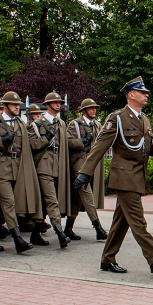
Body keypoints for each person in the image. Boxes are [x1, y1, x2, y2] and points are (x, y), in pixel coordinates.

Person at [73, 77, 153, 274]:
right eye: (142, 92)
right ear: (131, 95)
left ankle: (107, 259)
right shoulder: (117, 118)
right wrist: (85, 173)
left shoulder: (144, 119)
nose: (146, 95)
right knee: (138, 220)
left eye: (146, 93)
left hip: (137, 177)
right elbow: (100, 146)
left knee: (121, 221)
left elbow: (142, 147)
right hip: (124, 178)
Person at [0, 91, 43, 253]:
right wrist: (1, 141)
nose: (17, 107)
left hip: (17, 167)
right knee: (8, 202)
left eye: (18, 104)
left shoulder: (20, 123)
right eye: (14, 104)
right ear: (4, 106)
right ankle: (18, 239)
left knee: (2, 206)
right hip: (0, 167)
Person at [30, 91, 72, 248]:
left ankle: (35, 234)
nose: (58, 104)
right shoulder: (37, 124)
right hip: (44, 164)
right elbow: (33, 145)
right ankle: (60, 233)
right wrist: (45, 139)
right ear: (47, 105)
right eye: (54, 102)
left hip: (57, 164)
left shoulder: (61, 123)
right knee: (52, 200)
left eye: (59, 102)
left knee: (44, 201)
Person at [66, 99, 108, 241]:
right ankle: (98, 228)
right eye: (90, 108)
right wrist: (83, 141)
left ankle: (68, 228)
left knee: (78, 199)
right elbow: (68, 141)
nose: (93, 111)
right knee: (87, 195)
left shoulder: (97, 125)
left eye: (94, 108)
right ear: (83, 111)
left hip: (91, 164)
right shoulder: (75, 124)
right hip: (79, 164)